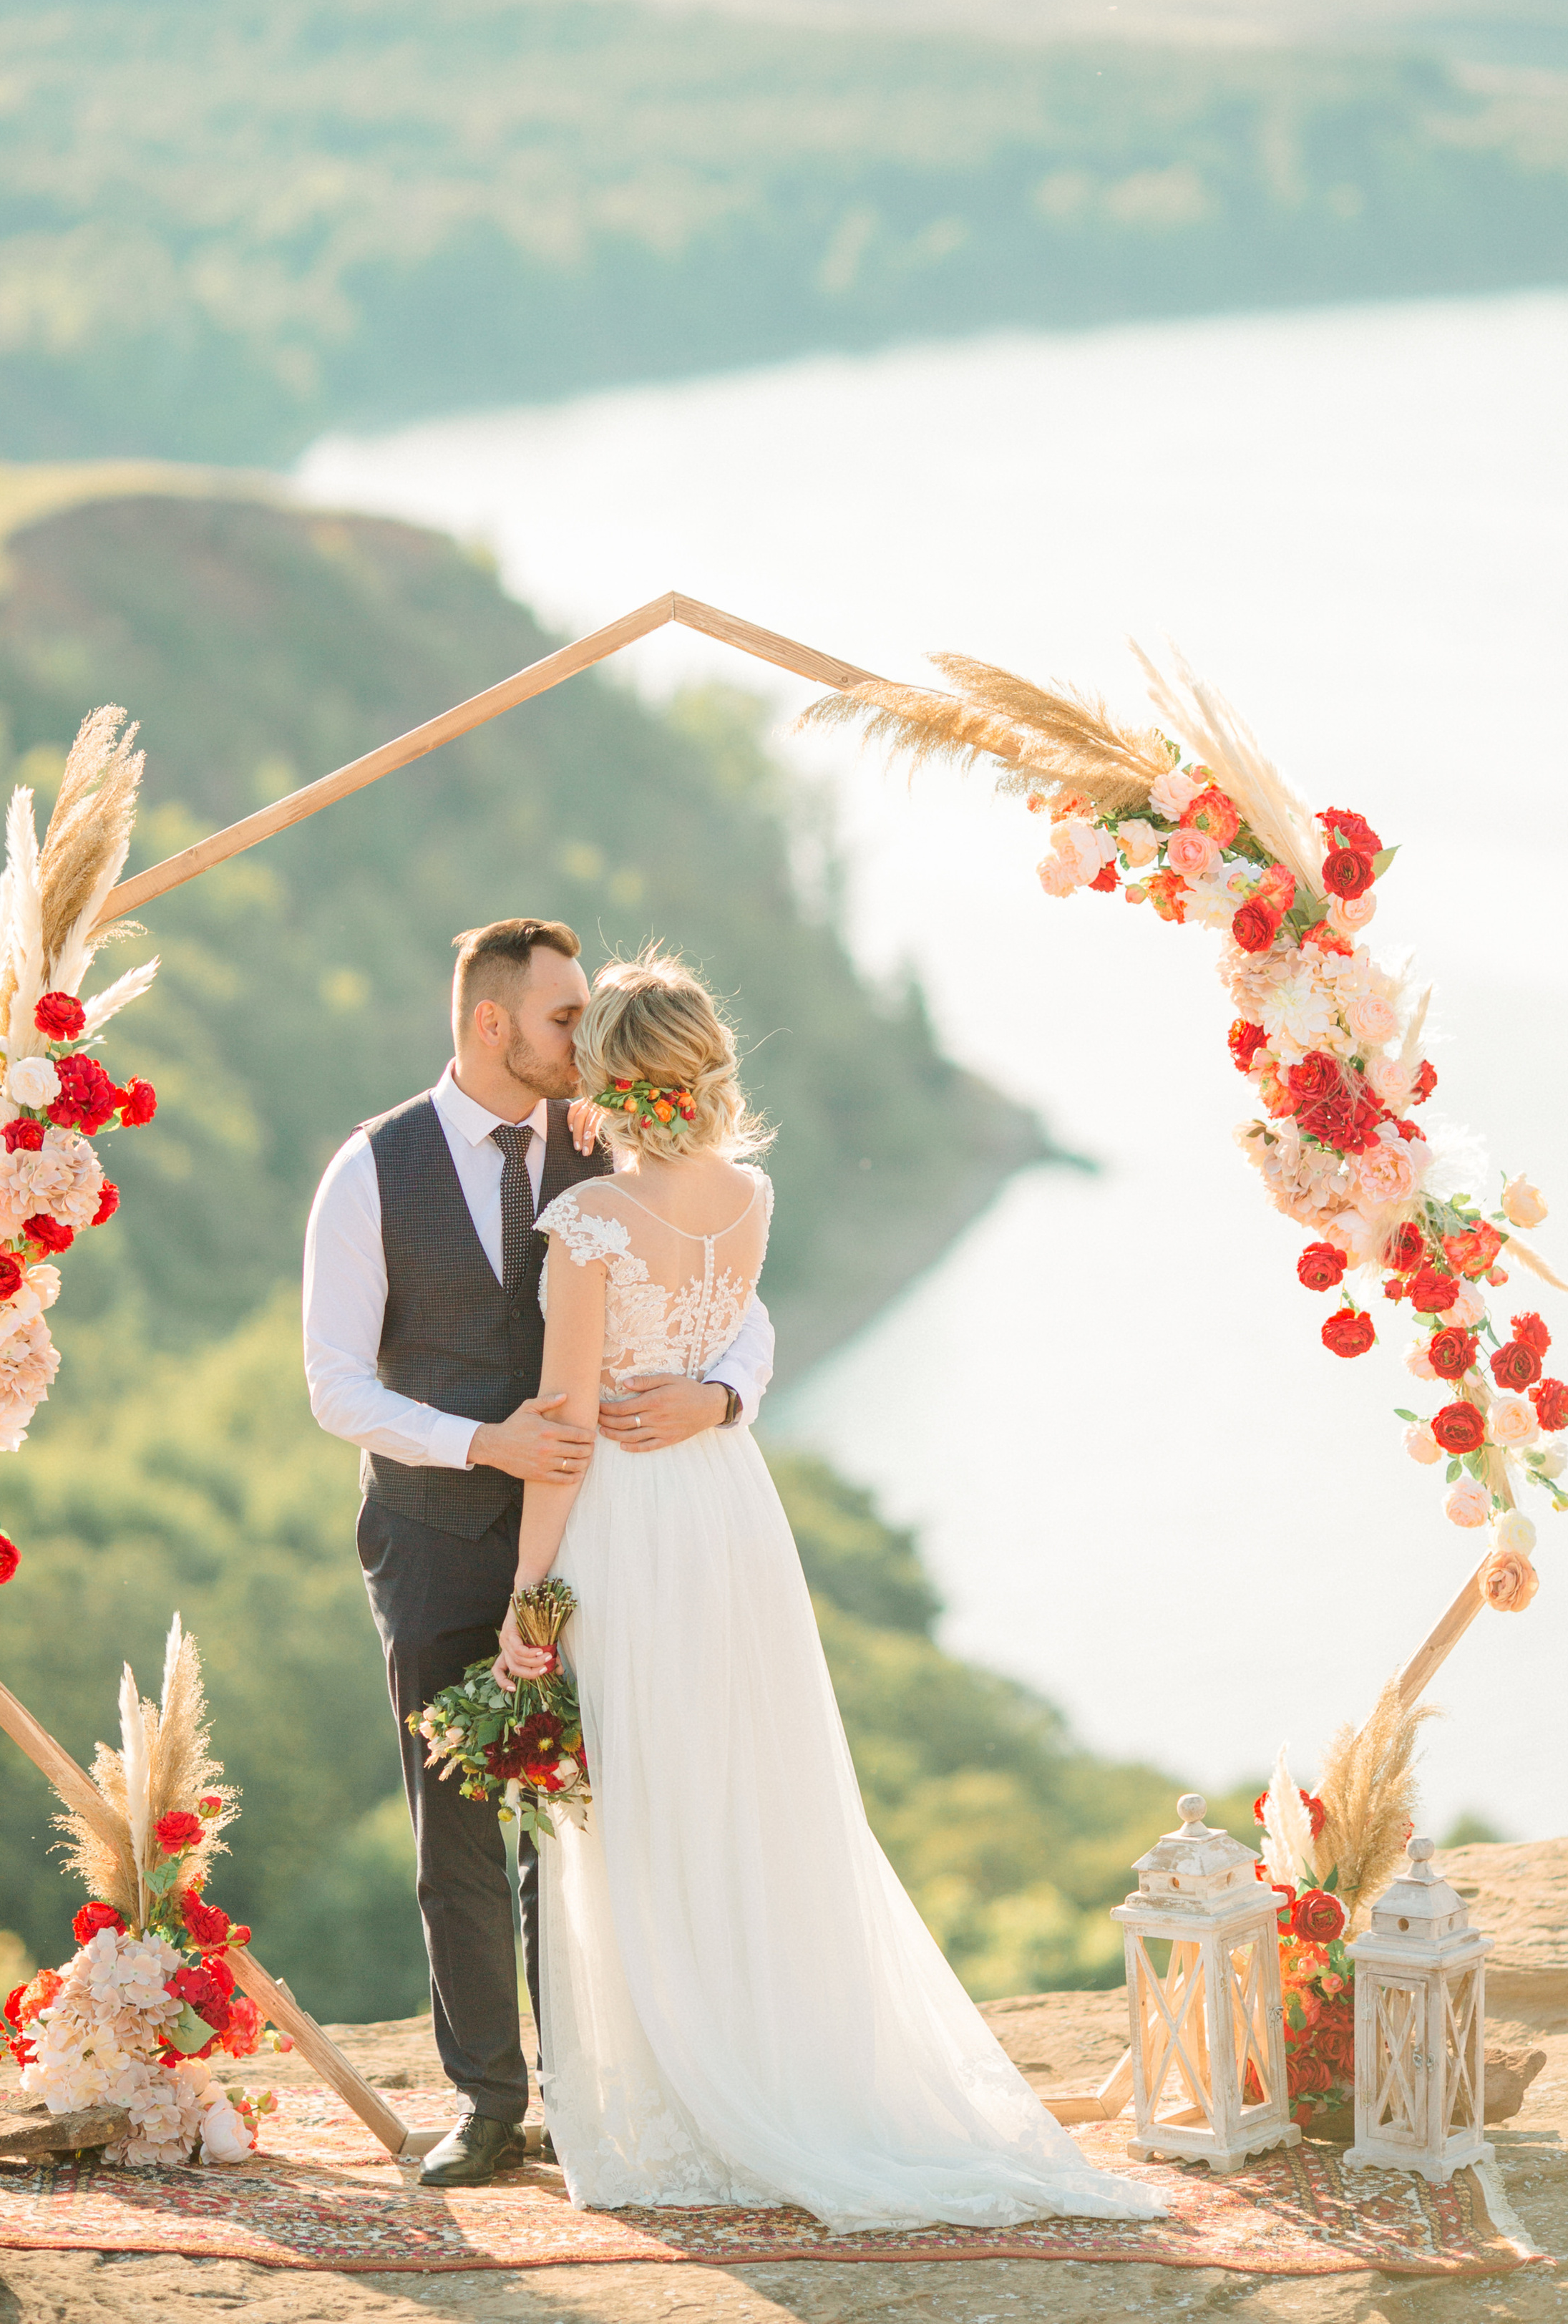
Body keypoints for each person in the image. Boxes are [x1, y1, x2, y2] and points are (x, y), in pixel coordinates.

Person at [497, 952, 1164, 2234]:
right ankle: (772, 2057)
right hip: (730, 1504)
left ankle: (689, 2092)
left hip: (628, 1523)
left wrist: (530, 1593)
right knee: (749, 1781)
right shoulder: (745, 1197)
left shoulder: (586, 1228)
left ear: (610, 1085)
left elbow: (567, 1428)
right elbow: (721, 1340)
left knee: (644, 1790)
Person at [302, 918, 776, 2189]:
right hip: (440, 1538)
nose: (586, 1041)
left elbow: (738, 1300)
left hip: (613, 1541)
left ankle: (590, 2092)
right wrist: (480, 1445)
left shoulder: (614, 1142)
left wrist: (722, 1395)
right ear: (490, 1022)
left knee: (594, 1823)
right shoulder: (371, 1168)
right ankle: (486, 2103)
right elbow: (335, 1386)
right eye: (564, 1018)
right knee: (454, 1829)